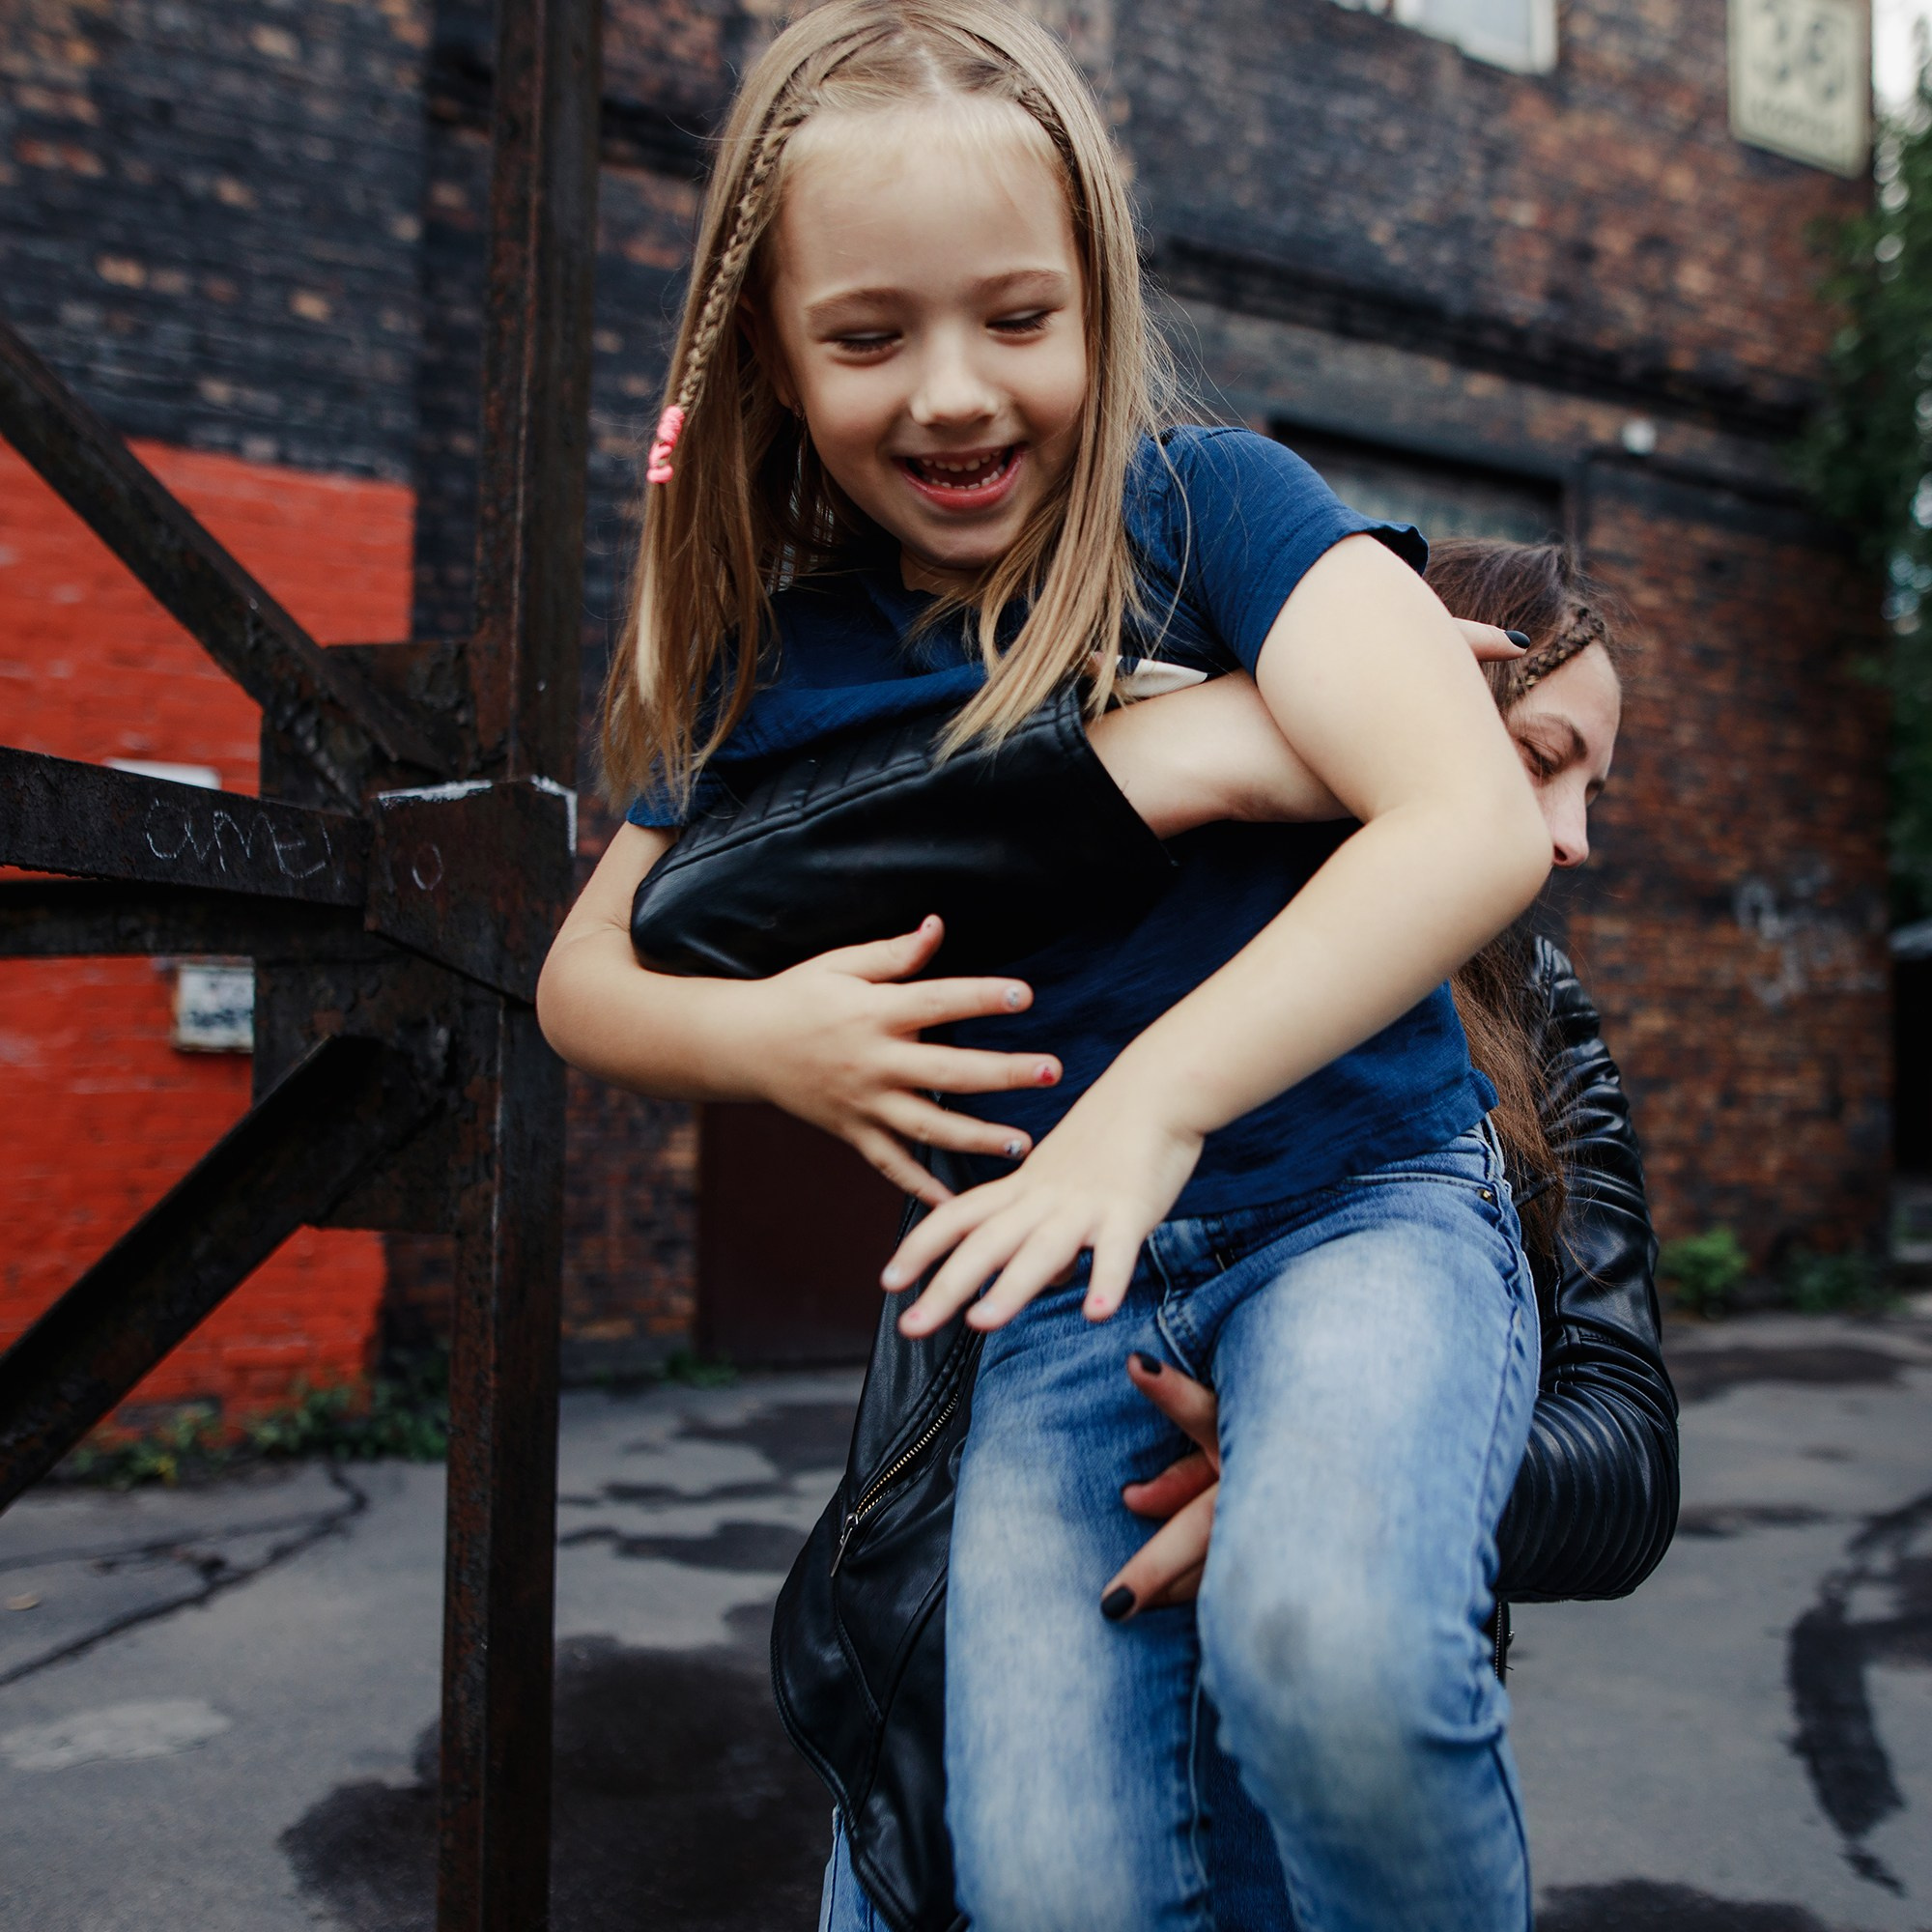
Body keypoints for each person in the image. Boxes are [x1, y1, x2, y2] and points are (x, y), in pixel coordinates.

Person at [537, 6, 1554, 1928]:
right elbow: (582, 979)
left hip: (1350, 1209)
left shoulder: (1213, 508)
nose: (949, 392)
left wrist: (1146, 1107)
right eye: (864, 335)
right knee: (1049, 1878)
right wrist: (770, 1037)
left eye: (1016, 319)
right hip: (1053, 1321)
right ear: (763, 349)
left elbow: (1472, 818)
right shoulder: (781, 650)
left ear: (1096, 292)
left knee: (1326, 1645)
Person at [772, 539, 1677, 1932]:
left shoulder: (1542, 1019)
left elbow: (1623, 1454)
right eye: (1544, 759)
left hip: (1297, 1824)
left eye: (1592, 792)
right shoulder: (1124, 913)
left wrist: (1333, 1475)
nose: (1571, 838)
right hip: (961, 1738)